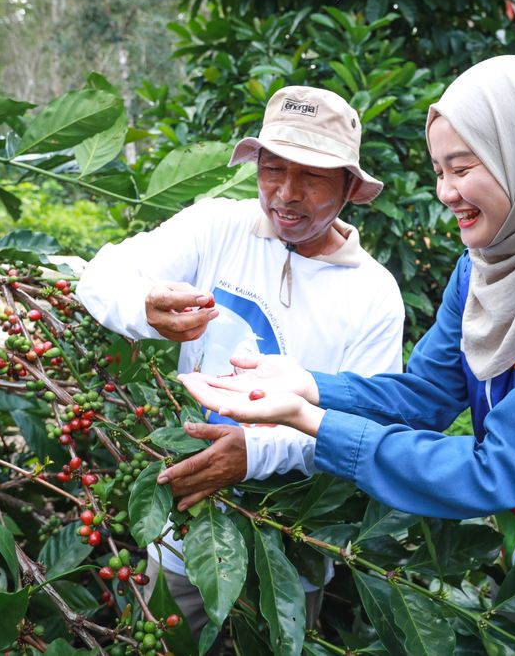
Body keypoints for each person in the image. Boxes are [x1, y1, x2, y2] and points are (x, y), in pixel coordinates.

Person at [176, 54, 515, 626]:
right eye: (438, 170)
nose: (444, 191)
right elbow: (424, 396)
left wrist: (312, 422)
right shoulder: (485, 271)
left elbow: (495, 470)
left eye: (462, 168)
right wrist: (308, 384)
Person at [76, 86, 405, 638]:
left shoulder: (372, 294)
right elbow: (102, 275)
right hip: (183, 534)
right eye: (272, 170)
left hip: (289, 550)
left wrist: (257, 452)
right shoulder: (218, 227)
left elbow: (365, 426)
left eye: (312, 178)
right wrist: (144, 306)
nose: (285, 194)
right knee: (162, 640)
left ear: (349, 186)